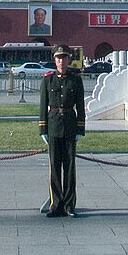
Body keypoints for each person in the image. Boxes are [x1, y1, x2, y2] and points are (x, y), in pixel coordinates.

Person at [39, 43, 85, 217]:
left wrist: (81, 128)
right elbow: (43, 105)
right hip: (53, 126)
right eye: (58, 58)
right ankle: (55, 204)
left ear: (68, 60)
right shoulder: (47, 79)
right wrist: (43, 129)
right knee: (54, 167)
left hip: (70, 126)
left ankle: (69, 205)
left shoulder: (75, 79)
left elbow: (80, 106)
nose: (61, 61)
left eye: (64, 58)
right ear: (54, 60)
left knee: (70, 167)